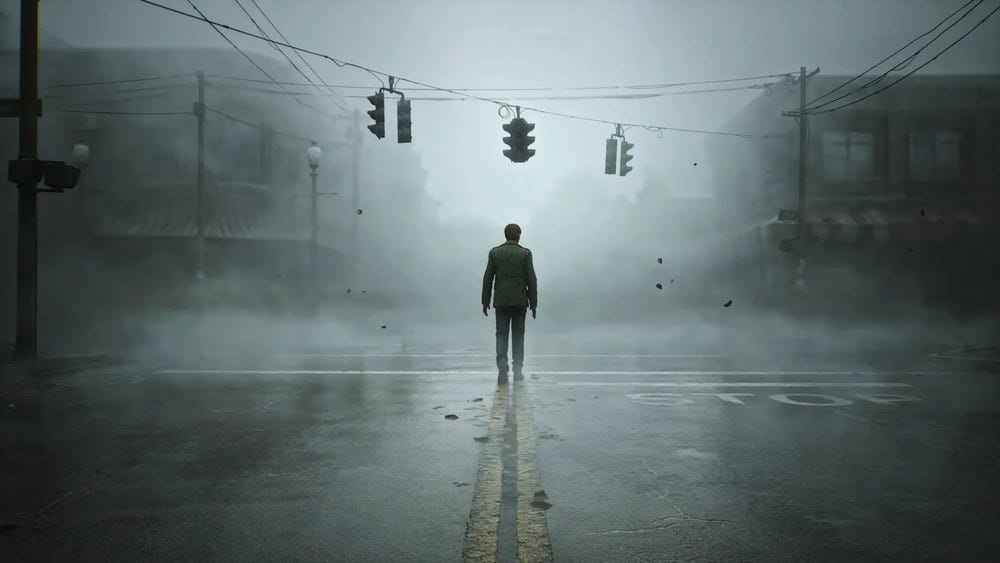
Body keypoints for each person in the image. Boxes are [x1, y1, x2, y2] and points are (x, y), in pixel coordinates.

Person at [481, 223, 538, 385]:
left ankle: (502, 364)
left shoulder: (495, 253)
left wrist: (485, 301)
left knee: (501, 334)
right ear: (518, 235)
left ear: (505, 235)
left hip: (501, 301)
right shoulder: (525, 254)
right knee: (518, 335)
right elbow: (531, 280)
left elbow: (487, 278)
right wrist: (533, 303)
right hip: (520, 302)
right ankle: (518, 370)